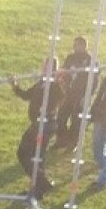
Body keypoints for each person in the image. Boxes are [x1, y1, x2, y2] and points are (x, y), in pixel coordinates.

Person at [10, 58, 66, 198]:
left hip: (44, 125)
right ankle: (39, 187)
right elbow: (26, 95)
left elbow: (60, 98)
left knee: (26, 153)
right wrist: (15, 86)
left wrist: (56, 83)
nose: (43, 69)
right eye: (44, 66)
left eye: (47, 67)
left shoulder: (54, 85)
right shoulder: (42, 82)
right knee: (35, 155)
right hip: (38, 124)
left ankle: (42, 184)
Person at [54, 36, 93, 151]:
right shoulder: (70, 57)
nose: (75, 47)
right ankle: (62, 139)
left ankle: (73, 143)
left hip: (81, 95)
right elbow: (64, 72)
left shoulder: (90, 60)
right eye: (74, 45)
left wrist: (86, 95)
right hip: (68, 93)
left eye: (77, 45)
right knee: (60, 117)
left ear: (84, 46)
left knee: (76, 120)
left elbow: (93, 80)